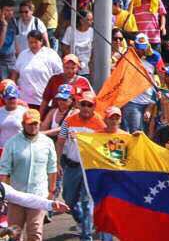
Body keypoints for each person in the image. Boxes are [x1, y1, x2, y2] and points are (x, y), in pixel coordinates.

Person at [0, 108, 57, 241]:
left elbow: (52, 168)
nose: (33, 127)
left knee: (35, 233)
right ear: (23, 124)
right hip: (16, 196)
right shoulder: (12, 143)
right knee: (14, 233)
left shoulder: (47, 143)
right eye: (29, 124)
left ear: (40, 123)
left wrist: (51, 190)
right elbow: (4, 169)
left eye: (35, 124)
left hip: (38, 195)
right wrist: (2, 195)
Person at [55, 90, 105, 241]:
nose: (85, 107)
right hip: (72, 165)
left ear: (94, 106)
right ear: (78, 104)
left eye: (89, 105)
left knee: (86, 202)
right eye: (83, 104)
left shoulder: (99, 124)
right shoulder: (69, 121)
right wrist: (57, 163)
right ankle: (82, 221)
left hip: (90, 168)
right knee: (68, 199)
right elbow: (60, 141)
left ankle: (86, 235)